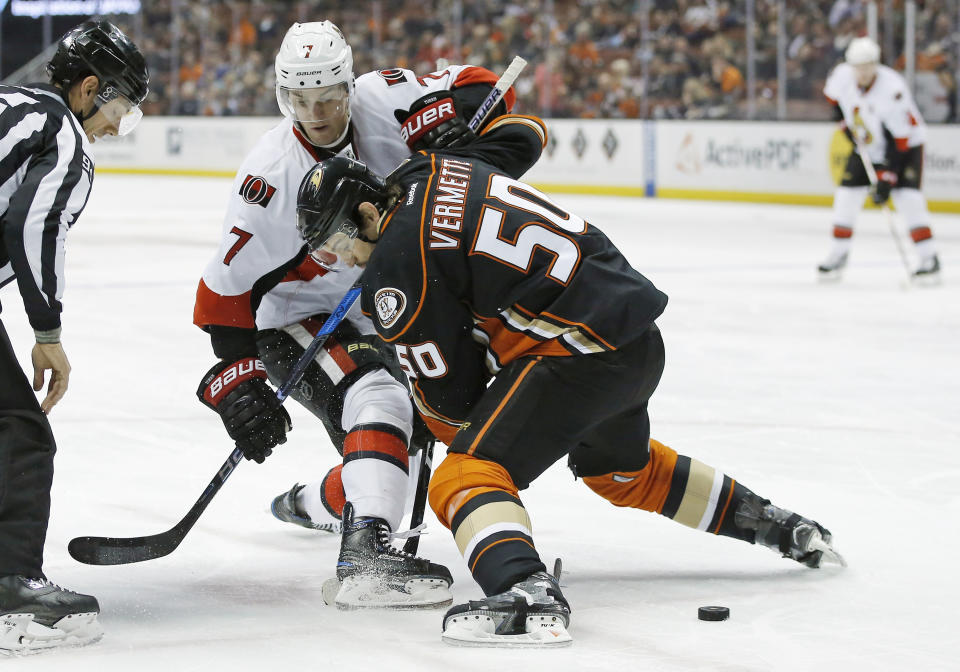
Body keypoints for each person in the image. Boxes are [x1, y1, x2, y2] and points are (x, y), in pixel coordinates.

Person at [293, 98, 846, 647]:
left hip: (576, 352)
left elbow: (455, 407)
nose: (342, 261)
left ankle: (526, 590)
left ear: (368, 213)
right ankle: (778, 525)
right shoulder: (431, 166)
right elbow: (523, 137)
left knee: (462, 475)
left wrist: (422, 395)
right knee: (622, 472)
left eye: (341, 242)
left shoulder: (396, 268)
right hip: (633, 334)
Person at [193, 21, 513, 609]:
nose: (315, 114)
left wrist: (445, 118)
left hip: (382, 304)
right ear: (282, 96)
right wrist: (237, 385)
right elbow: (222, 297)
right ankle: (364, 558)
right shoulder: (268, 178)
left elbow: (486, 86)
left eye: (328, 98)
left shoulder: (385, 96)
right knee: (383, 398)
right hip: (297, 319)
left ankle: (313, 502)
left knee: (409, 449)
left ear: (349, 84)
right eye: (299, 100)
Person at [0, 20, 148, 654]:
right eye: (117, 107)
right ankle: (11, 596)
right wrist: (47, 329)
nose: (115, 126)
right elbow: (35, 225)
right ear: (89, 88)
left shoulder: (11, 104)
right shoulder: (61, 132)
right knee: (21, 431)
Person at [818, 36, 941, 280]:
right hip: (868, 146)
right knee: (846, 198)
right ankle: (838, 255)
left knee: (908, 199)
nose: (862, 72)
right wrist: (845, 126)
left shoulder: (892, 89)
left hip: (906, 146)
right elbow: (833, 103)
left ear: (876, 64)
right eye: (858, 67)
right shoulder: (842, 76)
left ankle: (929, 258)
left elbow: (900, 141)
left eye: (868, 66)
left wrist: (887, 174)